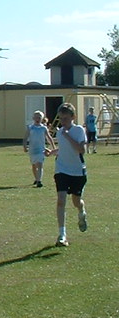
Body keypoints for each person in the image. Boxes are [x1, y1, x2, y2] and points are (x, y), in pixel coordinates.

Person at [52, 103, 89, 248]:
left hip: (77, 171)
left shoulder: (78, 130)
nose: (63, 122)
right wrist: (53, 152)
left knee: (76, 201)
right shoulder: (60, 132)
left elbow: (81, 150)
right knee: (61, 200)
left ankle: (82, 212)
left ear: (73, 117)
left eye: (66, 118)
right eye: (61, 119)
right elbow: (63, 149)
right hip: (61, 169)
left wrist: (68, 136)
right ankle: (62, 235)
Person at [22, 110, 56, 187]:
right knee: (34, 165)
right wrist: (25, 147)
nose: (37, 119)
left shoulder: (43, 128)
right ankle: (36, 178)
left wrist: (53, 147)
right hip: (32, 150)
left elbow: (49, 138)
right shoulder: (30, 127)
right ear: (33, 118)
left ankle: (39, 181)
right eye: (36, 117)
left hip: (41, 150)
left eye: (39, 117)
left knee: (40, 164)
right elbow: (25, 138)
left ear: (42, 118)